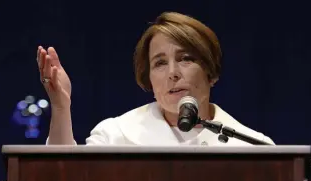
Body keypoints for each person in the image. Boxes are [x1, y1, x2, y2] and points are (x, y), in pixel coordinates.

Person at [36, 11, 274, 146]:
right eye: (159, 63)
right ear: (148, 79)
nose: (173, 72)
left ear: (211, 73)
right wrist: (60, 107)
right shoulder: (115, 135)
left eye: (186, 59)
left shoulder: (255, 147)